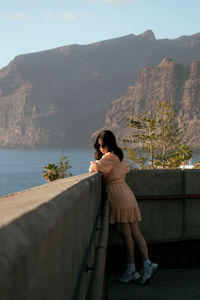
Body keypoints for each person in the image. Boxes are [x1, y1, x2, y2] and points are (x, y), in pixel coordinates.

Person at [89, 130, 158, 284]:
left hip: (117, 196)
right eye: (99, 145)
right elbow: (125, 170)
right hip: (127, 193)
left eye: (103, 145)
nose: (101, 148)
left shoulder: (109, 157)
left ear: (109, 144)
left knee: (127, 236)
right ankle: (147, 264)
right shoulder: (120, 156)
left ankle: (131, 269)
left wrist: (99, 163)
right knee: (136, 232)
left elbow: (93, 169)